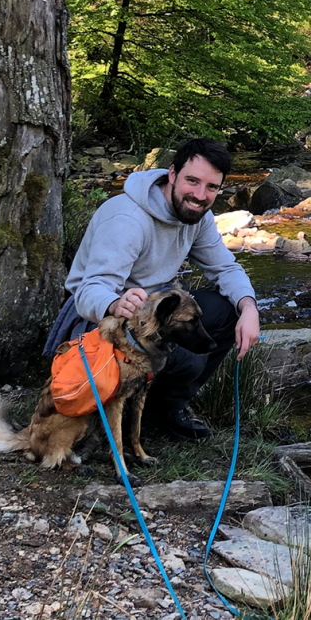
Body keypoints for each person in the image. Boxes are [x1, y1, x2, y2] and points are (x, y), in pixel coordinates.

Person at [44, 138, 260, 441]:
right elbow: (90, 289)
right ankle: (122, 413)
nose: (200, 195)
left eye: (212, 187)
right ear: (172, 174)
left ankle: (166, 410)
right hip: (101, 320)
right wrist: (115, 303)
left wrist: (249, 308)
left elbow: (224, 268)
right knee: (190, 354)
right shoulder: (128, 219)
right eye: (192, 181)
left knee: (227, 311)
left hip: (157, 311)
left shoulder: (196, 215)